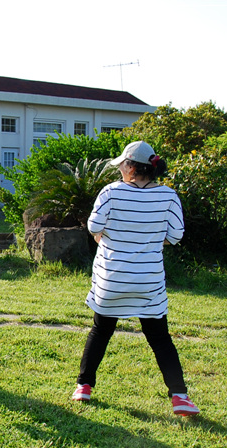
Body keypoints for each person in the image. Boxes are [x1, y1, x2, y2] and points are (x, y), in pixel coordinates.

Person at [71, 141, 199, 416]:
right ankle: (180, 396)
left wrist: (106, 236)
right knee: (160, 339)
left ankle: (84, 387)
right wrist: (149, 240)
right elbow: (176, 236)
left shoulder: (110, 192)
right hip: (148, 281)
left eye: (121, 165)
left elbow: (94, 227)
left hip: (112, 279)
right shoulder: (168, 196)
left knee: (100, 331)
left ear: (130, 167)